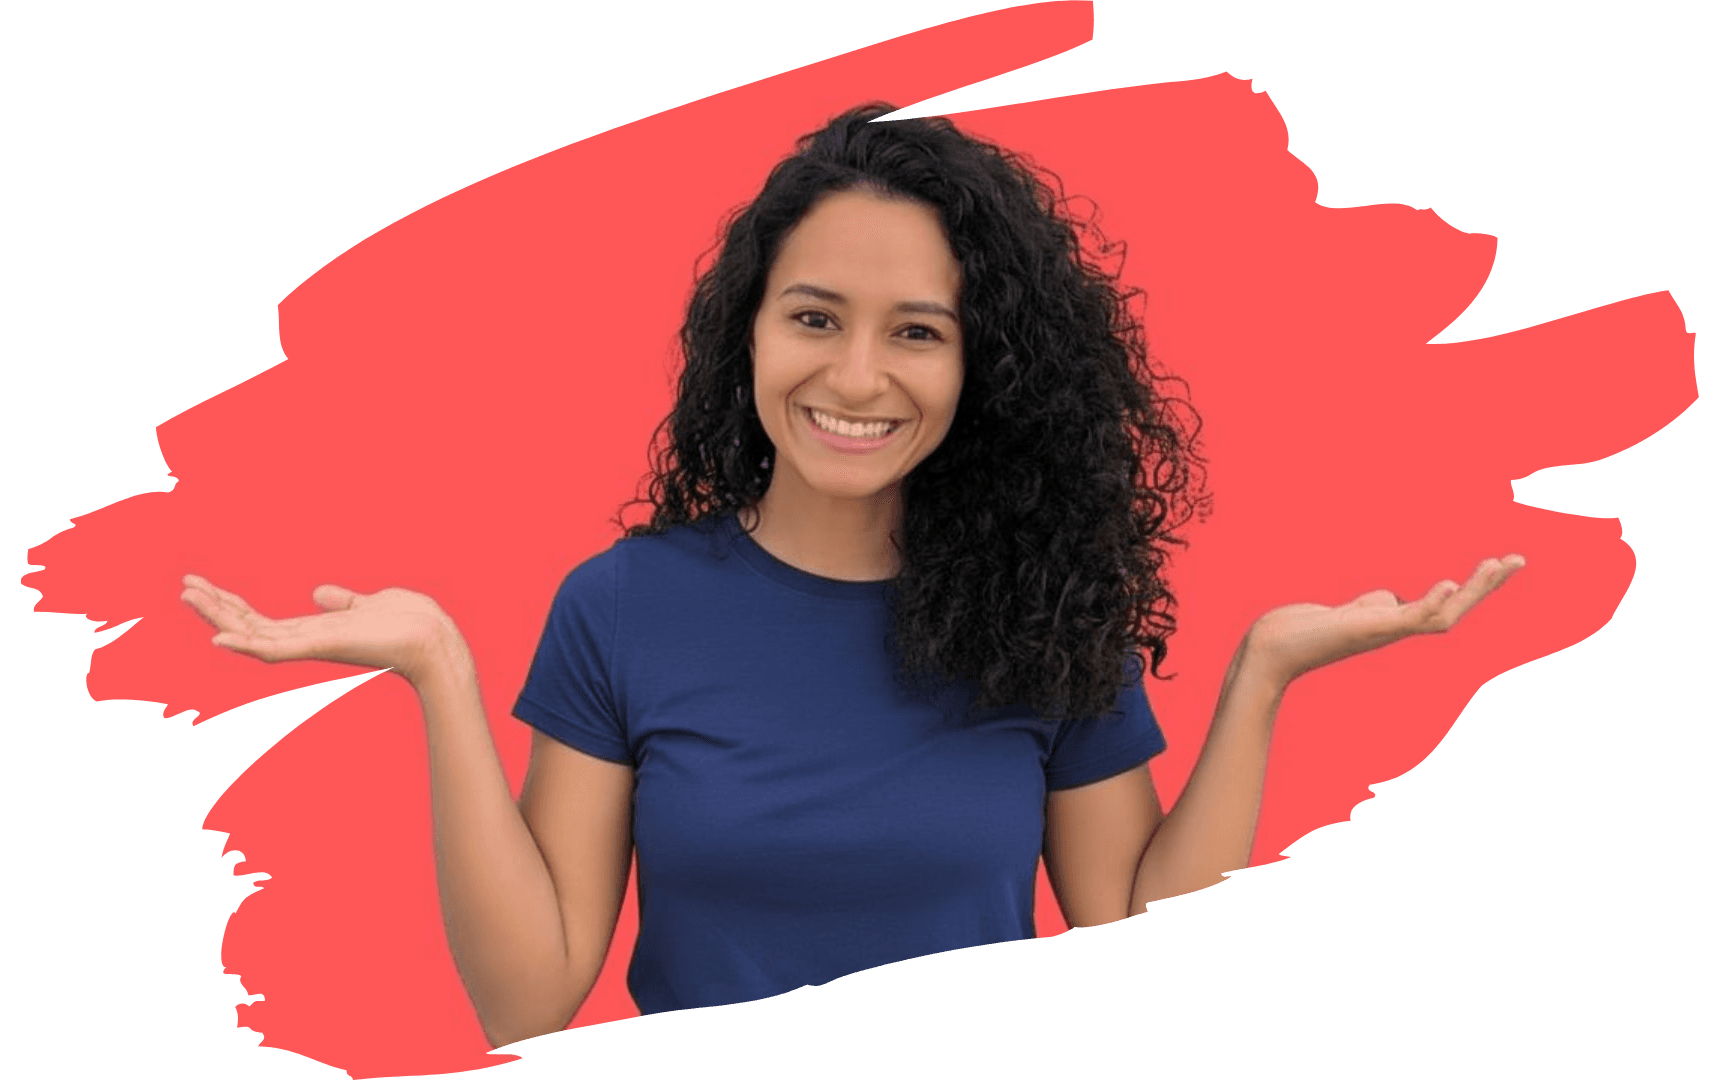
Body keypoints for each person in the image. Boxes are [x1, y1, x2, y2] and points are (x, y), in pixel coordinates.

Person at [179, 103, 1524, 1048]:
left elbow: (1135, 944)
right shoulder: (620, 611)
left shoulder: (1051, 611)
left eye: (918, 333)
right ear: (747, 329)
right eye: (815, 317)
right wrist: (438, 670)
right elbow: (529, 1005)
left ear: (977, 369)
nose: (858, 378)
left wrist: (1264, 677)